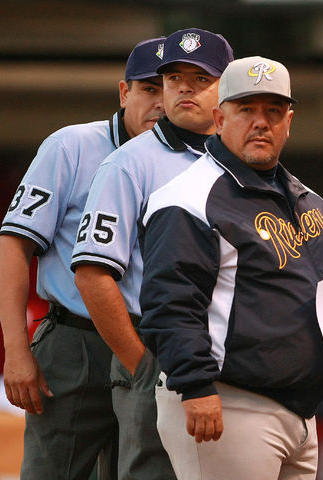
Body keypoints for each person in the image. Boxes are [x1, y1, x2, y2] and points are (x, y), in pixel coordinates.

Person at [138, 55, 323, 480]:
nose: (261, 122)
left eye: (273, 110)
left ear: (289, 120)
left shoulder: (307, 197)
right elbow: (169, 304)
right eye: (246, 109)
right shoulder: (190, 196)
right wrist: (195, 386)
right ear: (219, 117)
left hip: (300, 411)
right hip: (229, 403)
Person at [0, 37, 165, 480]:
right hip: (77, 342)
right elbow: (14, 245)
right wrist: (15, 349)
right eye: (149, 89)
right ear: (124, 92)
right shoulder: (71, 145)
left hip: (157, 342)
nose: (161, 101)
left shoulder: (192, 159)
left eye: (171, 87)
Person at [71, 28, 233, 479]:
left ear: (227, 88)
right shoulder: (129, 162)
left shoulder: (239, 162)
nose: (184, 88)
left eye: (200, 79)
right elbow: (91, 273)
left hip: (230, 355)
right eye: (174, 77)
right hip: (157, 346)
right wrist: (141, 366)